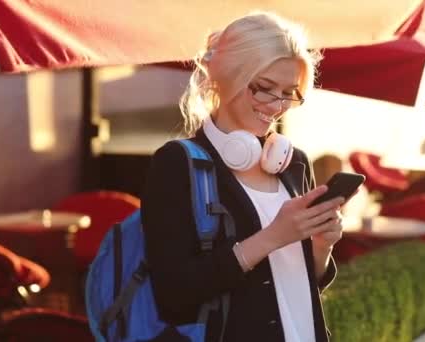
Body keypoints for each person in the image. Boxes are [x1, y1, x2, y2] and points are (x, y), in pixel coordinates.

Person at [141, 12, 348, 342]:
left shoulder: (293, 162)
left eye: (289, 92)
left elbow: (302, 284)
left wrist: (321, 247)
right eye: (265, 89)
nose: (277, 105)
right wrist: (272, 237)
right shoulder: (178, 164)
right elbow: (173, 294)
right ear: (227, 79)